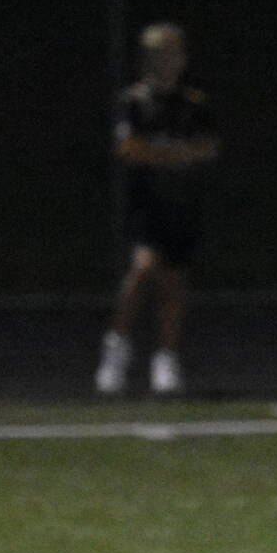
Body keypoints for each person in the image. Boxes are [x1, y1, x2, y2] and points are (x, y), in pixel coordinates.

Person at [95, 22, 219, 396]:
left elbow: (208, 147)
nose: (166, 61)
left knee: (173, 284)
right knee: (141, 271)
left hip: (181, 205)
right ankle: (116, 347)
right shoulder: (133, 101)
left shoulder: (193, 104)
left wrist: (170, 155)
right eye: (158, 55)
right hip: (146, 203)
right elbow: (129, 148)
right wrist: (172, 156)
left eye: (172, 54)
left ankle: (165, 358)